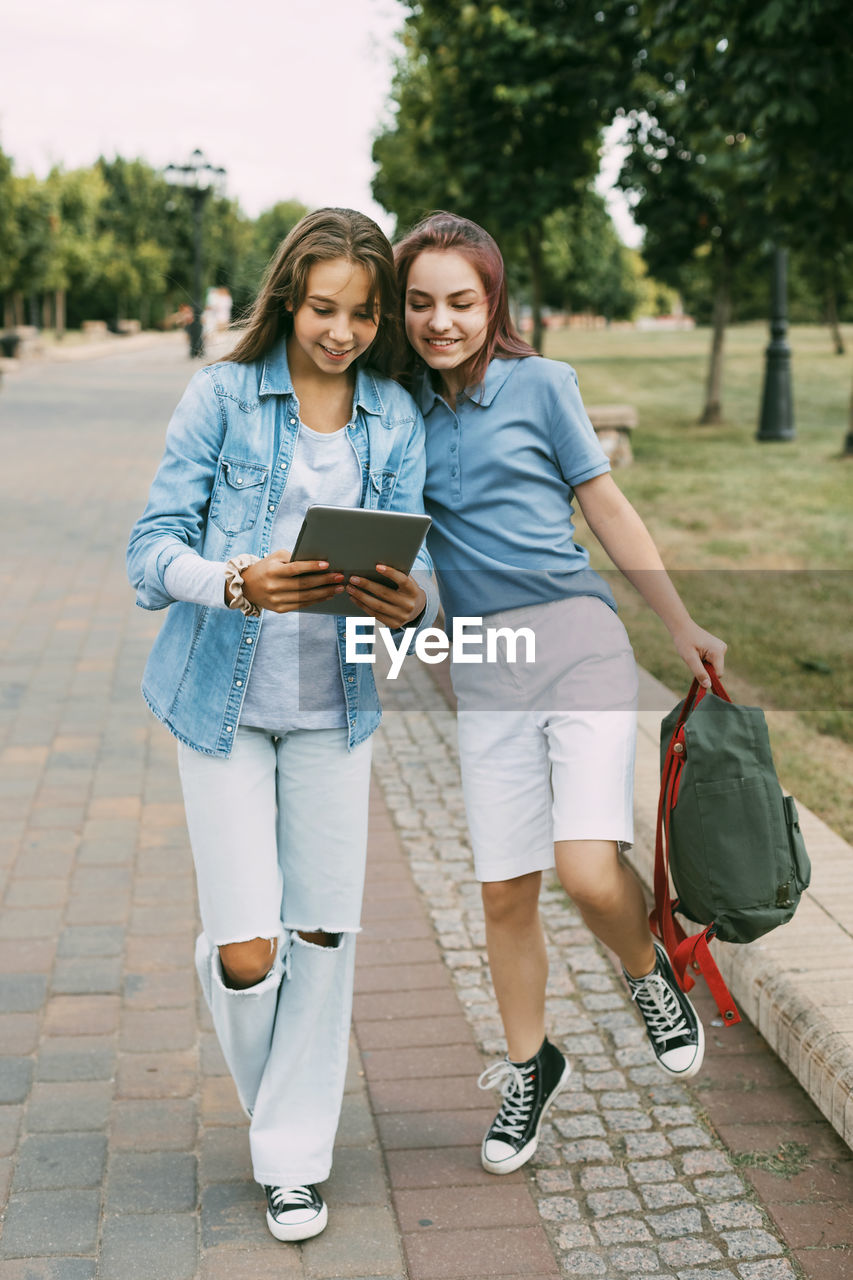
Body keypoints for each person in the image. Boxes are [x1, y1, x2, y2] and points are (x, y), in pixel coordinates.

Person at [393, 211, 726, 1177]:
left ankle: (645, 968)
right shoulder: (399, 407)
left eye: (461, 300)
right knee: (504, 889)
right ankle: (530, 1065)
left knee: (586, 870)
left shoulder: (543, 386)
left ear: (492, 299)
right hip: (484, 664)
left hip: (575, 642)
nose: (440, 321)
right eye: (420, 303)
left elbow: (606, 505)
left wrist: (678, 622)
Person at [127, 208, 437, 1242]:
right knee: (252, 951)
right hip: (217, 705)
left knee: (323, 933)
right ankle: (277, 1083)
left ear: (378, 313)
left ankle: (293, 1156)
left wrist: (413, 599)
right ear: (287, 299)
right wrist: (233, 579)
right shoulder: (221, 394)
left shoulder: (393, 414)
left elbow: (417, 559)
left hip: (331, 709)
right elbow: (147, 551)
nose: (338, 332)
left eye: (358, 313)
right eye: (320, 309)